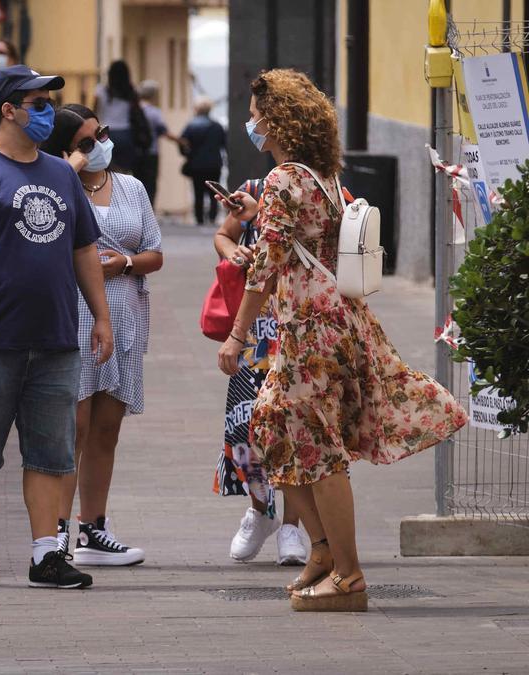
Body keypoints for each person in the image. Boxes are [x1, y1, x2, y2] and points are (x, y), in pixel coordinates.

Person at [216, 69, 466, 611]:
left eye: (258, 114)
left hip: (308, 329)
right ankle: (323, 553)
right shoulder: (322, 174)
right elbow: (300, 236)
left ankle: (348, 574)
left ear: (276, 119)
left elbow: (267, 267)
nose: (252, 123)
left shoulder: (284, 178)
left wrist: (236, 335)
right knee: (274, 426)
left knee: (317, 450)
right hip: (331, 320)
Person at [0, 65, 114, 590]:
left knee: (51, 455)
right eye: (36, 103)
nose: (47, 113)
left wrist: (99, 316)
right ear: (7, 110)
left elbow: (84, 249)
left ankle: (45, 555)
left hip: (55, 340)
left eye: (48, 103)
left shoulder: (61, 175)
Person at [41, 104, 163, 566]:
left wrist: (125, 263)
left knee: (107, 429)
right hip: (74, 317)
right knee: (73, 427)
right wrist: (65, 180)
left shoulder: (131, 187)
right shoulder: (55, 188)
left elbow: (154, 251)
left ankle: (94, 528)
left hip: (126, 317)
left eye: (102, 135)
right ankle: (55, 533)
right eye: (87, 143)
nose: (100, 147)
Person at [211, 178, 308, 566]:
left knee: (295, 429)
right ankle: (261, 509)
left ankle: (292, 526)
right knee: (243, 428)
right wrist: (235, 251)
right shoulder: (251, 186)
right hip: (253, 329)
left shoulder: (317, 187)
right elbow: (222, 234)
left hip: (299, 325)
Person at [94, 61, 153, 176]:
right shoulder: (131, 93)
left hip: (105, 133)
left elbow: (94, 112)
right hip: (126, 135)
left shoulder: (100, 91)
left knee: (106, 170)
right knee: (124, 172)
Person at [179, 97, 226, 226]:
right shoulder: (217, 126)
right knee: (214, 192)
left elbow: (183, 143)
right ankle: (212, 217)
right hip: (214, 164)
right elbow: (224, 144)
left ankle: (199, 218)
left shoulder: (191, 126)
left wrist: (187, 154)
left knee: (198, 191)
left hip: (196, 164)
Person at [136, 79, 180, 205]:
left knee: (136, 182)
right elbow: (164, 131)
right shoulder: (154, 112)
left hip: (135, 152)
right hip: (151, 152)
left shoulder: (134, 110)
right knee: (150, 183)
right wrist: (181, 141)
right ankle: (149, 210)